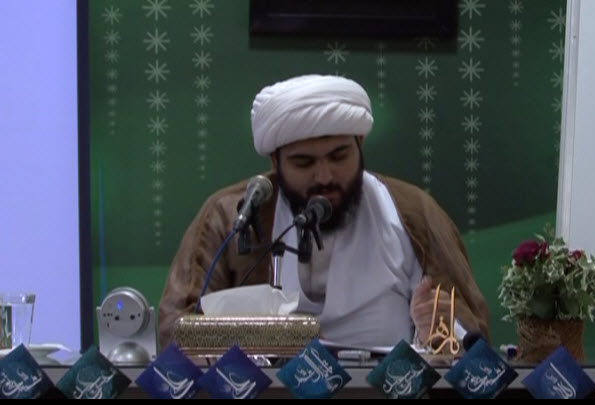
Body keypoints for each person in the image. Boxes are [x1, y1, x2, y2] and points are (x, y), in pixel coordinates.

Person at [159, 74, 489, 349]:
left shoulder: (412, 212)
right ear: (275, 161)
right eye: (304, 163)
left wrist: (440, 335)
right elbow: (176, 330)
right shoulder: (235, 216)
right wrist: (282, 339)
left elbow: (471, 334)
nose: (324, 177)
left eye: (338, 156)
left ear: (359, 145)